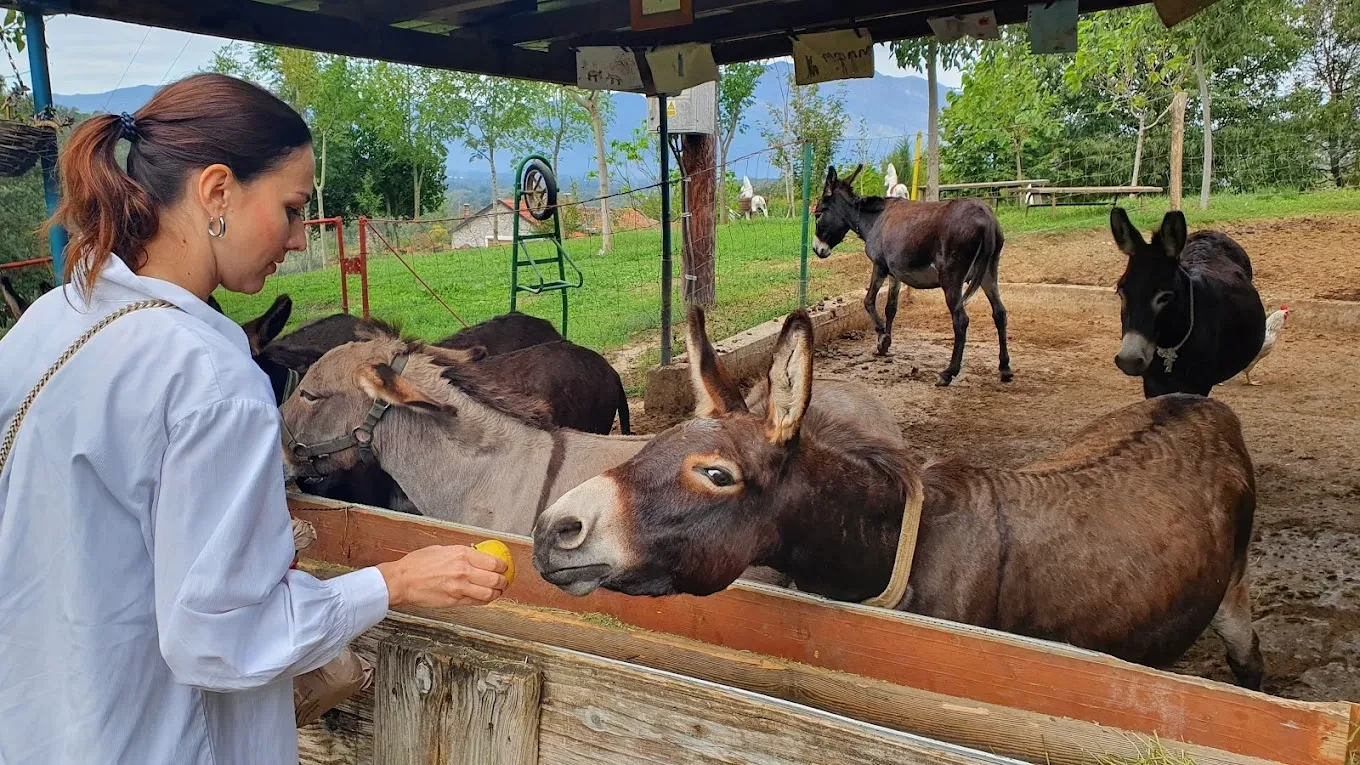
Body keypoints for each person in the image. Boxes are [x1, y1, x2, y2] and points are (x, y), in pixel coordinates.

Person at [0, 72, 509, 765]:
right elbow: (221, 635)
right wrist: (394, 581)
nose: (299, 238)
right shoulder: (208, 371)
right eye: (293, 207)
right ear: (216, 192)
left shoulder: (49, 321)